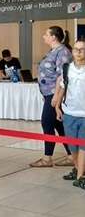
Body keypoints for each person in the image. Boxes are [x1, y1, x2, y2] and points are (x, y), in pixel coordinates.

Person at [30, 26, 73, 168]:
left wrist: (55, 96)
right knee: (58, 125)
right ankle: (72, 156)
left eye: (46, 34)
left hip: (56, 94)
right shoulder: (53, 51)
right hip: (49, 94)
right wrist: (45, 93)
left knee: (47, 123)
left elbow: (62, 76)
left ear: (53, 37)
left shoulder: (62, 52)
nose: (44, 37)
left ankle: (47, 158)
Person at [55, 40, 85, 188]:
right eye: (76, 49)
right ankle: (77, 168)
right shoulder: (67, 68)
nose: (79, 52)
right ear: (72, 51)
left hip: (84, 114)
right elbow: (63, 87)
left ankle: (80, 176)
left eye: (82, 49)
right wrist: (57, 106)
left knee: (83, 146)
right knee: (72, 146)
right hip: (69, 112)